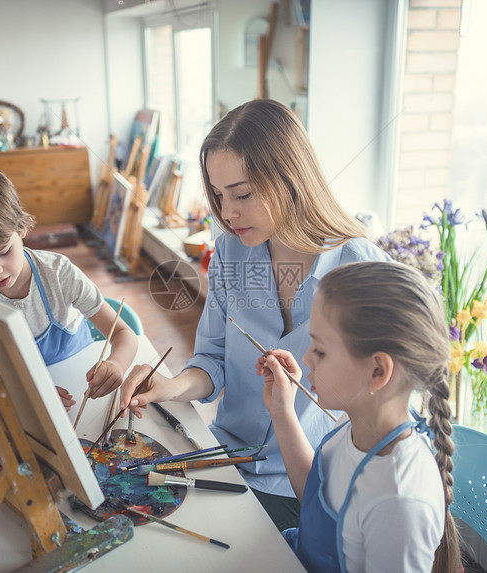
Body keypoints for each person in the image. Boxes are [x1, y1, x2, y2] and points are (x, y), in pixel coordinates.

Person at [119, 99, 390, 531]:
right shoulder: (229, 251)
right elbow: (212, 360)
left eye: (242, 194)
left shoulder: (363, 269)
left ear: (291, 180)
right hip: (226, 459)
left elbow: (385, 407)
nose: (228, 213)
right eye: (219, 195)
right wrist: (172, 385)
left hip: (313, 486)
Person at [256, 261, 460, 573]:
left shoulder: (398, 502)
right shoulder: (356, 421)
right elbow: (318, 497)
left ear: (377, 371)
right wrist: (282, 410)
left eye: (321, 351)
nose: (307, 357)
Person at [0, 164, 138, 409]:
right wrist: (24, 391)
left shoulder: (59, 274)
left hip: (81, 387)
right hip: (22, 398)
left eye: (4, 252)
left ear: (22, 228)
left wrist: (117, 364)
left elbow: (125, 334)